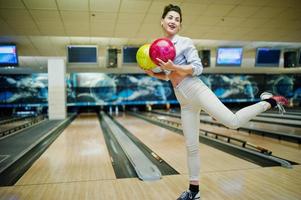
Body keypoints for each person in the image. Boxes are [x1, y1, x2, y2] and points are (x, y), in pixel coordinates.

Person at [143, 4, 289, 200]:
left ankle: (268, 101)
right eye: (170, 17)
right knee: (191, 146)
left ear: (179, 25)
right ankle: (194, 192)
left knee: (233, 122)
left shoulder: (185, 42)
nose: (173, 21)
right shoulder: (159, 46)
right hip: (183, 99)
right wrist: (154, 74)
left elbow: (197, 68)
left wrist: (173, 66)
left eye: (177, 19)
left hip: (196, 89)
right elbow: (170, 76)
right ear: (162, 21)